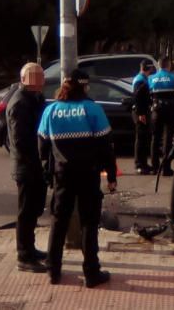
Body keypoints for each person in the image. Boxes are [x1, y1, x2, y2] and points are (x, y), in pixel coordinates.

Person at [38, 70, 117, 288]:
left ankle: (53, 271)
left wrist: (48, 172)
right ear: (84, 86)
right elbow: (106, 147)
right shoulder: (92, 109)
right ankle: (92, 272)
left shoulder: (51, 110)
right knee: (89, 223)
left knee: (58, 221)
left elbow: (42, 147)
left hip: (62, 176)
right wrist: (111, 175)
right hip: (88, 175)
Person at [6, 63, 49, 273]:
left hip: (36, 165)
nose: (39, 81)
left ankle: (30, 248)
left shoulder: (36, 98)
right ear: (24, 79)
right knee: (26, 211)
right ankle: (24, 255)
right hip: (26, 166)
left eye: (40, 76)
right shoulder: (20, 103)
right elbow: (21, 140)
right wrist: (39, 156)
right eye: (35, 77)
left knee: (35, 208)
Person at [147, 56, 174, 177]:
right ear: (168, 65)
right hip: (170, 110)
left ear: (159, 65)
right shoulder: (173, 77)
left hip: (156, 110)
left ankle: (155, 167)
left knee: (155, 139)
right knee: (167, 139)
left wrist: (151, 102)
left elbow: (145, 92)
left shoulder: (151, 78)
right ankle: (166, 168)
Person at [130, 59, 156, 175]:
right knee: (141, 139)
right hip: (141, 112)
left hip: (142, 111)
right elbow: (138, 97)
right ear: (149, 69)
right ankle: (140, 165)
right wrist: (141, 114)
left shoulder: (141, 78)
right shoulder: (140, 80)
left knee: (144, 138)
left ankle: (144, 163)